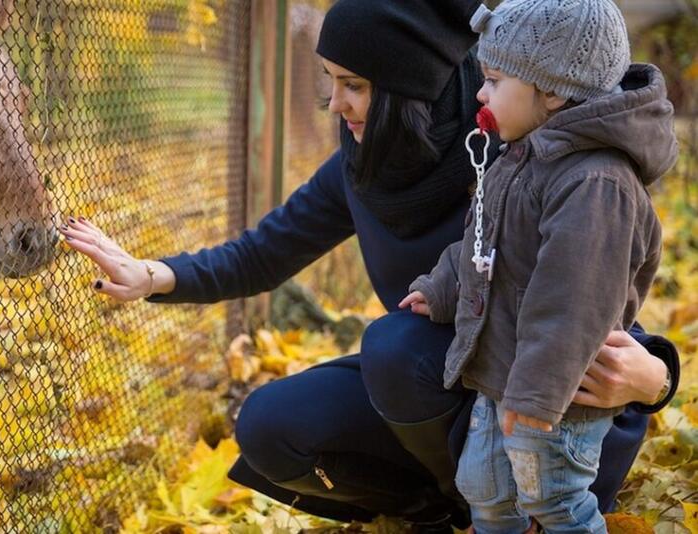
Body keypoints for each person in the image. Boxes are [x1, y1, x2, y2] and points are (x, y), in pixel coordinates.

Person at [60, 0, 680, 531]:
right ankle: (452, 510)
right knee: (270, 425)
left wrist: (657, 380)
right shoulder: (364, 164)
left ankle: (527, 507)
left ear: (408, 83)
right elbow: (263, 253)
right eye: (329, 81)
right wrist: (154, 276)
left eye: (354, 85)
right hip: (456, 390)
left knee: (394, 345)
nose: (334, 104)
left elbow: (591, 290)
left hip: (553, 400)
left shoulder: (520, 131)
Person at [399, 0, 678, 531]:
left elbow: (573, 302)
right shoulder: (522, 154)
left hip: (556, 397)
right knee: (485, 488)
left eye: (495, 80)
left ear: (550, 92)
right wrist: (443, 286)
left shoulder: (594, 183)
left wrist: (537, 393)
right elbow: (484, 243)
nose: (480, 95)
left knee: (554, 499)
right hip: (502, 379)